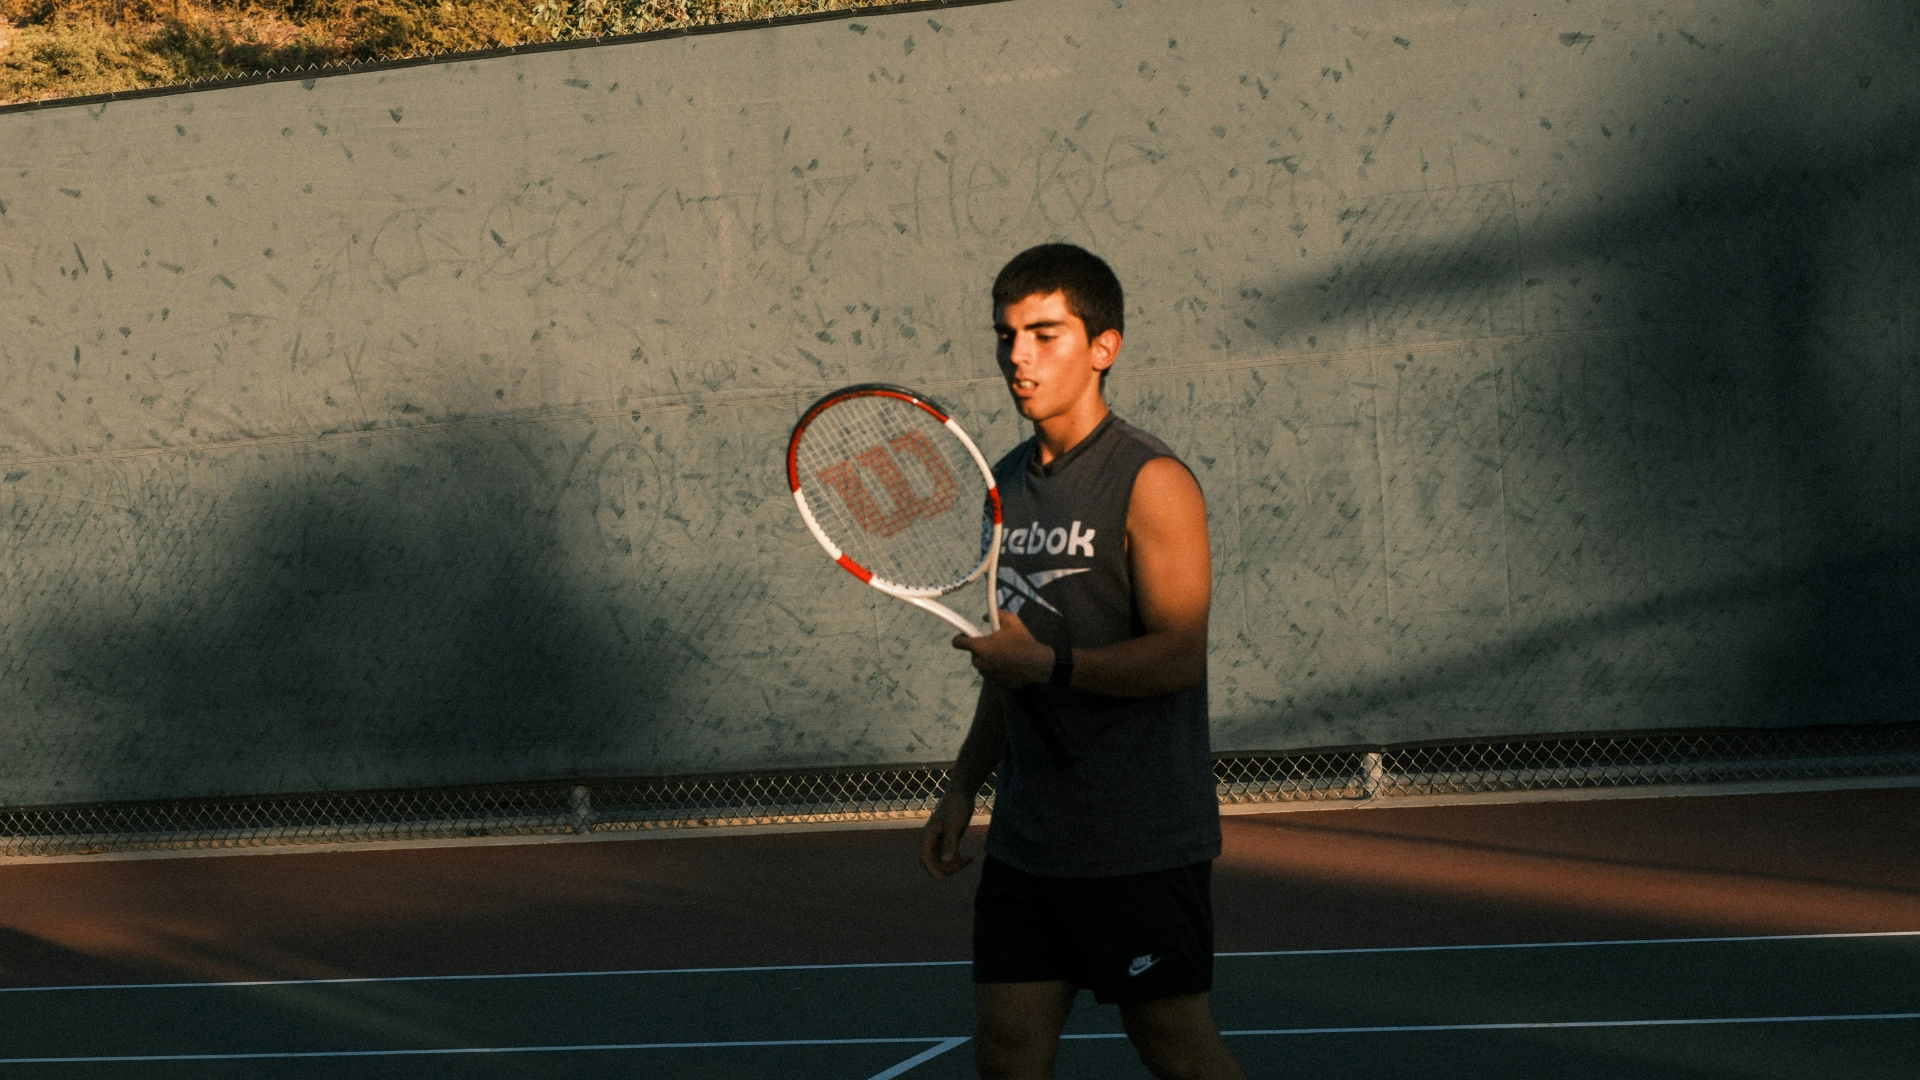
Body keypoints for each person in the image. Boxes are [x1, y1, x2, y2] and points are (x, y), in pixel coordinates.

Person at [920, 244, 1248, 1080]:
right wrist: (964, 785)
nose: (1018, 356)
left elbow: (1178, 657)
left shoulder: (1152, 480)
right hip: (1031, 844)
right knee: (1008, 1051)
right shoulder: (1004, 487)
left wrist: (1049, 667)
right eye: (1006, 336)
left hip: (1137, 839)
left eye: (1044, 333)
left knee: (1176, 1049)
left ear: (1104, 347)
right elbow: (1010, 664)